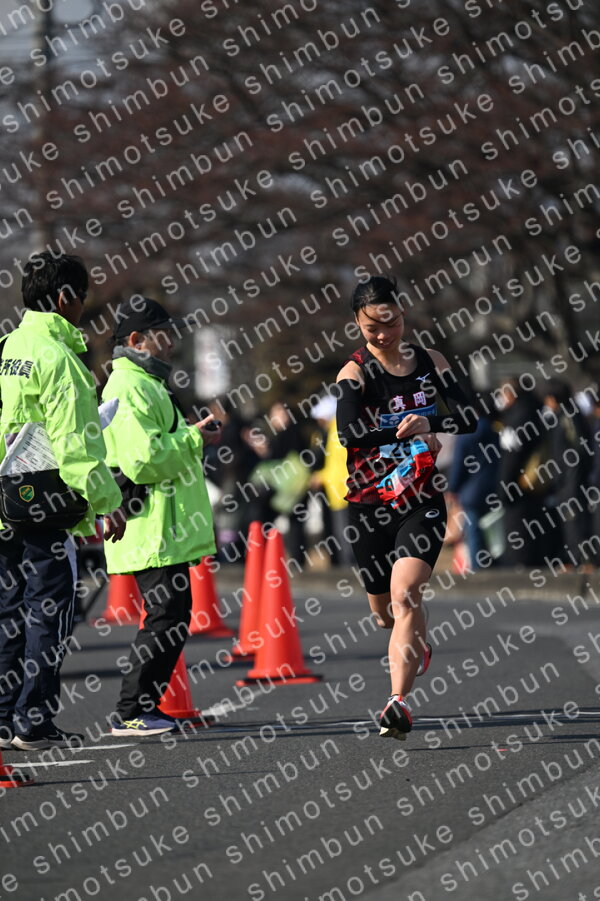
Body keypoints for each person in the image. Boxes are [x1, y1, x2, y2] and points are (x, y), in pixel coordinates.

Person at [336, 275, 478, 740]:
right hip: (369, 503)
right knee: (384, 613)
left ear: (403, 314)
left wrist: (430, 422)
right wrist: (407, 428)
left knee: (407, 593)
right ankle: (416, 640)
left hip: (421, 498)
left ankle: (396, 703)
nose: (383, 335)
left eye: (391, 323)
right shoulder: (353, 373)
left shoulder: (432, 361)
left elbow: (470, 415)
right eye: (371, 328)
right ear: (358, 325)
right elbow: (348, 433)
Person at [0, 252, 125, 751]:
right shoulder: (60, 359)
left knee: (8, 612)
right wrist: (107, 501)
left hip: (4, 502)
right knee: (48, 612)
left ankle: (5, 717)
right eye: (82, 297)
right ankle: (33, 720)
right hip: (45, 505)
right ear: (64, 297)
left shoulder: (6, 347)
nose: (83, 307)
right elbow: (76, 447)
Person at [102, 297, 220, 737]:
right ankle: (132, 711)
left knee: (171, 613)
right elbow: (143, 460)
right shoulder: (129, 385)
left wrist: (191, 435)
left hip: (162, 527)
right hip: (151, 526)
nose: (172, 344)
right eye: (164, 335)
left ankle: (139, 709)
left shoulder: (145, 383)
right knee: (166, 615)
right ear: (136, 340)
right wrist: (194, 439)